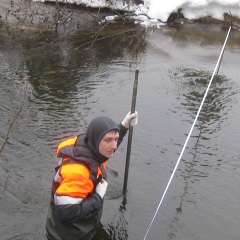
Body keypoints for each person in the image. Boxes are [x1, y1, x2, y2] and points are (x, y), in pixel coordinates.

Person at [45, 111, 138, 240]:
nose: (114, 145)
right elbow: (65, 213)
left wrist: (123, 127)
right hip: (69, 235)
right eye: (109, 140)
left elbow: (107, 148)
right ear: (96, 140)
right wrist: (98, 196)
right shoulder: (80, 174)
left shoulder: (86, 145)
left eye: (116, 139)